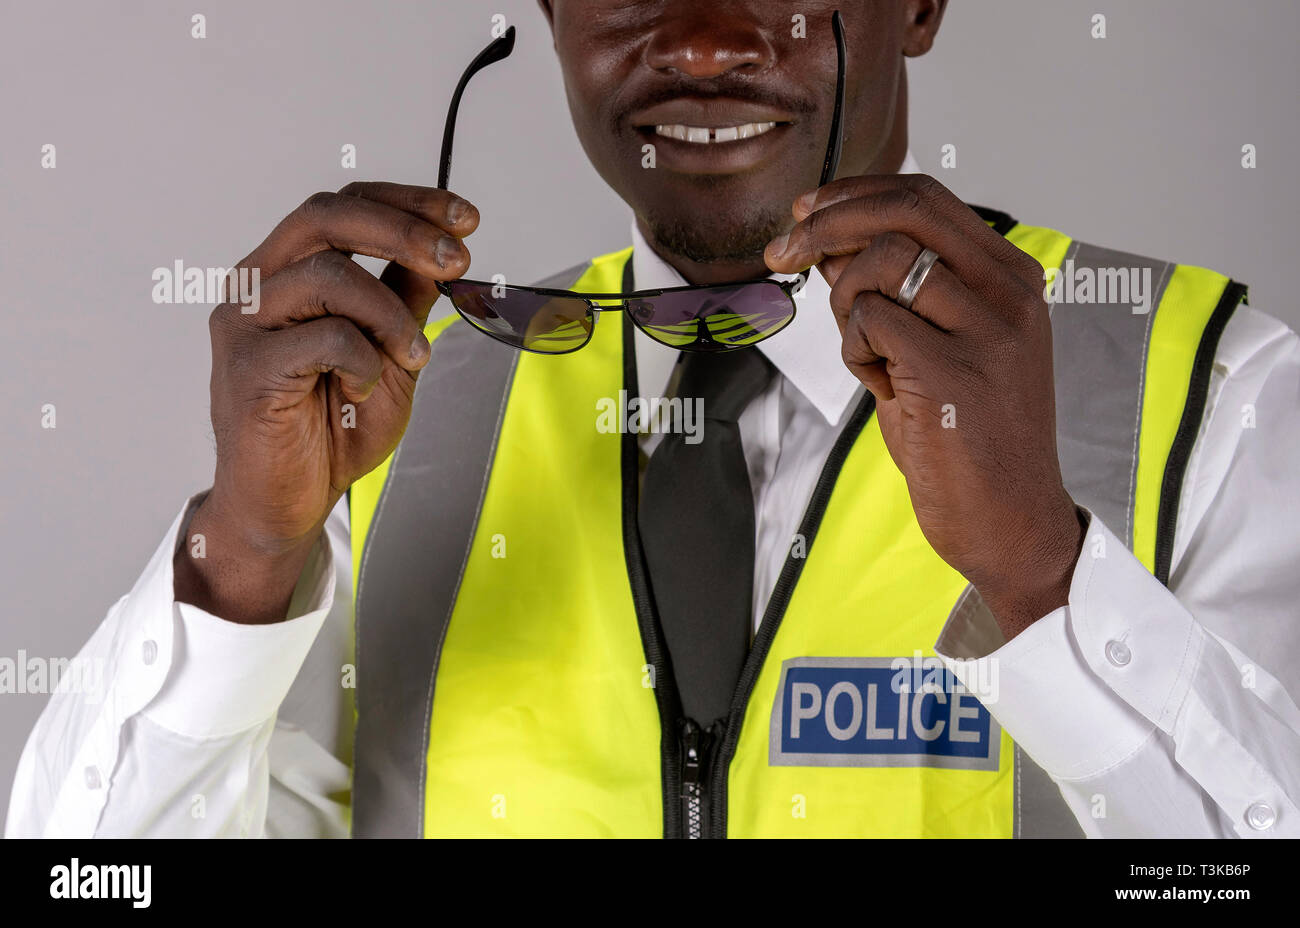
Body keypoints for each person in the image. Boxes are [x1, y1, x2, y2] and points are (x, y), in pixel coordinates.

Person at [8, 0, 1299, 839]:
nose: (699, 42)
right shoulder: (388, 400)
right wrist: (239, 557)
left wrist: (1041, 573)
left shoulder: (1218, 388)